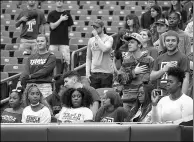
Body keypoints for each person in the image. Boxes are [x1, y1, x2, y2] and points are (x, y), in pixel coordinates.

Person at [116, 33, 154, 113]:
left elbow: (152, 81)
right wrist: (134, 73)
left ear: (139, 44)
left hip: (142, 101)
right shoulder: (126, 61)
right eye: (128, 42)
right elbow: (119, 79)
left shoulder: (149, 60)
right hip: (127, 101)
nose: (129, 44)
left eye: (132, 42)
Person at [150, 30, 190, 96]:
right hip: (160, 94)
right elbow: (152, 77)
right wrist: (163, 69)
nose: (170, 43)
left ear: (177, 42)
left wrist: (183, 97)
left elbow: (186, 79)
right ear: (164, 43)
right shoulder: (159, 58)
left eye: (173, 40)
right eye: (168, 40)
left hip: (175, 94)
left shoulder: (183, 57)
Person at [16, 34, 56, 98]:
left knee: (45, 107)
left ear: (47, 43)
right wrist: (19, 81)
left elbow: (45, 71)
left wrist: (30, 76)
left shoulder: (51, 56)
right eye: (38, 41)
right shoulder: (31, 57)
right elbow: (26, 70)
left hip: (44, 86)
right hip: (30, 86)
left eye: (42, 41)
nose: (39, 43)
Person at [86, 19, 114, 89]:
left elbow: (104, 49)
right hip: (94, 73)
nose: (95, 29)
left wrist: (97, 37)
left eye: (97, 27)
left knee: (106, 97)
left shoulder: (109, 38)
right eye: (94, 27)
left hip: (106, 73)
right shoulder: (91, 40)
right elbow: (88, 58)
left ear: (102, 27)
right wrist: (87, 73)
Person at [47, 0, 74, 73]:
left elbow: (69, 29)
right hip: (53, 42)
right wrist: (61, 19)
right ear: (55, 2)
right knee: (50, 63)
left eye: (61, 1)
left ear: (63, 2)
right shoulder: (51, 14)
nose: (59, 2)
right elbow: (52, 27)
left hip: (64, 43)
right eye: (57, 1)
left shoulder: (67, 14)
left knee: (67, 63)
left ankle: (67, 78)